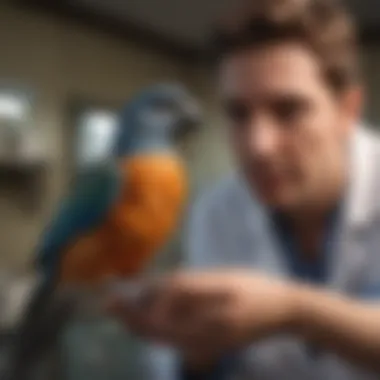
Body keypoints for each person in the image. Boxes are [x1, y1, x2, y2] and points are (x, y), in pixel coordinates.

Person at [109, 0, 380, 378]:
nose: (258, 146)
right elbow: (189, 368)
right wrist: (194, 349)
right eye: (238, 114)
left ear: (347, 112)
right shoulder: (215, 212)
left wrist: (296, 311)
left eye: (289, 110)